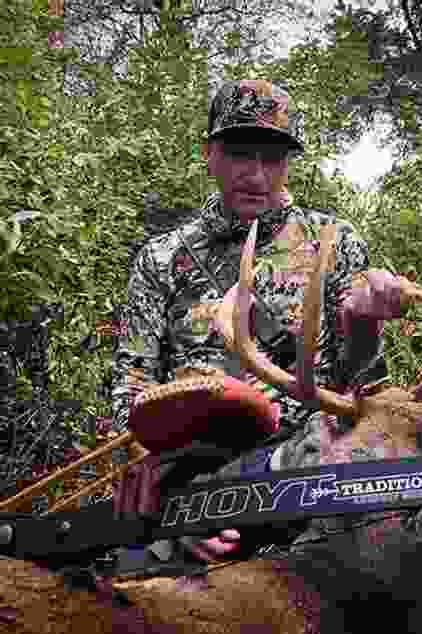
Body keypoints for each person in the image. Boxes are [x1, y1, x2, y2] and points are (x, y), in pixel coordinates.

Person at [110, 79, 387, 569]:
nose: (257, 175)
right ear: (210, 155)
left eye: (273, 158)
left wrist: (366, 323)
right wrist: (141, 462)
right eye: (240, 154)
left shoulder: (333, 242)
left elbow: (363, 390)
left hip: (295, 467)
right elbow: (134, 377)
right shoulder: (163, 257)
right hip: (184, 469)